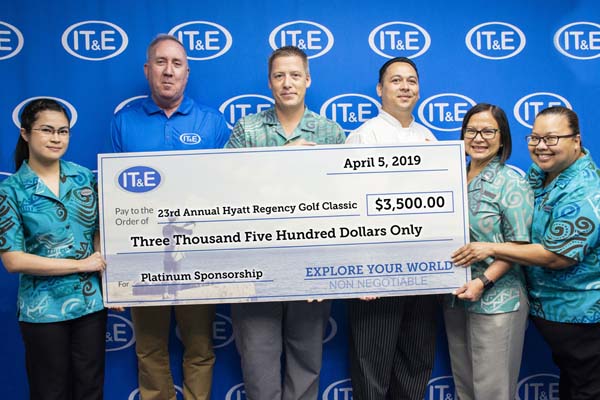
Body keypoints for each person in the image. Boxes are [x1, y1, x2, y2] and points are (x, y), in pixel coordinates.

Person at [111, 34, 230, 400]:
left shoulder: (212, 122)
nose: (168, 71)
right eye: (161, 62)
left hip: (198, 253)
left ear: (186, 73)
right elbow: (114, 195)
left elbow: (226, 190)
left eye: (177, 64)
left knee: (199, 346)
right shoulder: (124, 123)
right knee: (149, 347)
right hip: (142, 252)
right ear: (148, 70)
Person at [452, 106, 600, 400]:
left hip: (582, 315)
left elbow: (557, 256)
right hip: (548, 310)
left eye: (552, 138)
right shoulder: (540, 173)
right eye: (535, 138)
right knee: (574, 386)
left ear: (576, 140)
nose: (542, 146)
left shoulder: (585, 189)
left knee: (588, 389)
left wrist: (491, 250)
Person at [226, 45, 345, 400]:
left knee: (306, 361)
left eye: (295, 75)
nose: (287, 83)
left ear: (308, 80)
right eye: (279, 76)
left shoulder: (329, 132)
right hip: (255, 263)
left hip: (312, 262)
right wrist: (283, 159)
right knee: (258, 362)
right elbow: (226, 188)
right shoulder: (247, 129)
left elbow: (345, 200)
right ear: (269, 82)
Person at [0, 98, 107, 400]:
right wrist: (81, 265)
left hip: (90, 304)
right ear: (25, 133)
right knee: (50, 392)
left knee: (90, 388)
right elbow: (12, 260)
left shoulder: (84, 177)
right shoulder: (10, 191)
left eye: (63, 131)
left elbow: (97, 231)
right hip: (42, 310)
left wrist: (111, 284)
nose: (56, 138)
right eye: (47, 130)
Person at [345, 56, 438, 400]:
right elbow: (351, 208)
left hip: (423, 268)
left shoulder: (428, 138)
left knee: (415, 363)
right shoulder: (364, 136)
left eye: (411, 81)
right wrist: (362, 269)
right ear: (380, 89)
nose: (405, 87)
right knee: (372, 366)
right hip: (378, 270)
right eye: (396, 80)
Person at [443, 103, 533, 400]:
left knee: (492, 391)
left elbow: (519, 246)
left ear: (502, 138)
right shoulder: (449, 178)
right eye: (471, 131)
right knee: (465, 388)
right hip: (455, 297)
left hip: (497, 300)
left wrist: (483, 281)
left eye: (488, 131)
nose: (478, 138)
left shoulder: (512, 183)